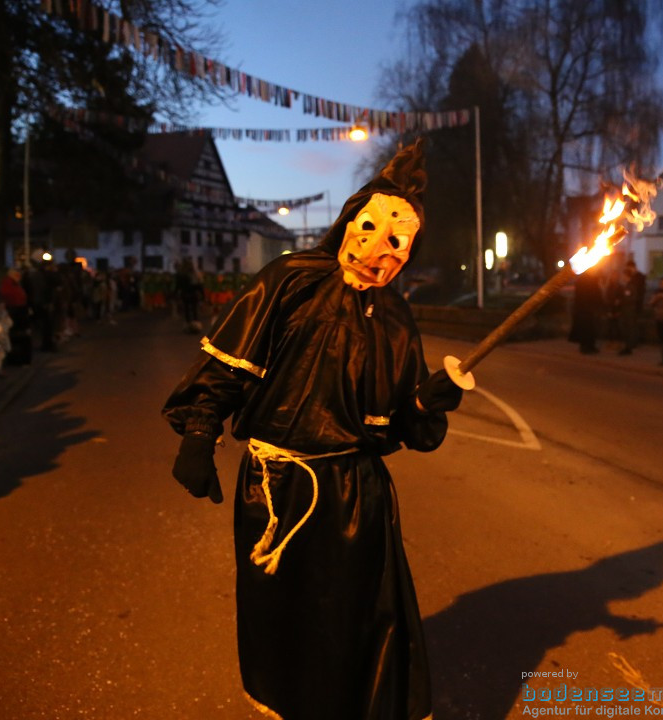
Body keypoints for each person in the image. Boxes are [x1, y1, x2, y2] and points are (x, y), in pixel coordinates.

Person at [163, 140, 461, 720]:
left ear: (410, 252)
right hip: (277, 490)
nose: (379, 246)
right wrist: (199, 433)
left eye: (397, 240)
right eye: (370, 226)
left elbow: (407, 429)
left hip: (356, 496)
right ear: (349, 221)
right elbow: (230, 362)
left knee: (355, 625)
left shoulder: (397, 321)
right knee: (287, 628)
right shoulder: (289, 280)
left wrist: (430, 399)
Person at [569, 263, 604, 354]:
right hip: (588, 309)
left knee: (584, 329)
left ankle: (584, 346)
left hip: (581, 309)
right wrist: (600, 304)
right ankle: (589, 347)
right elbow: (596, 295)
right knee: (589, 329)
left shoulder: (580, 281)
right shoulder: (591, 281)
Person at [617, 258, 646, 355]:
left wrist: (622, 300)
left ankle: (630, 345)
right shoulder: (628, 283)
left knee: (631, 327)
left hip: (632, 308)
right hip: (629, 308)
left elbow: (634, 295)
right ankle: (629, 344)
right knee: (627, 326)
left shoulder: (636, 279)